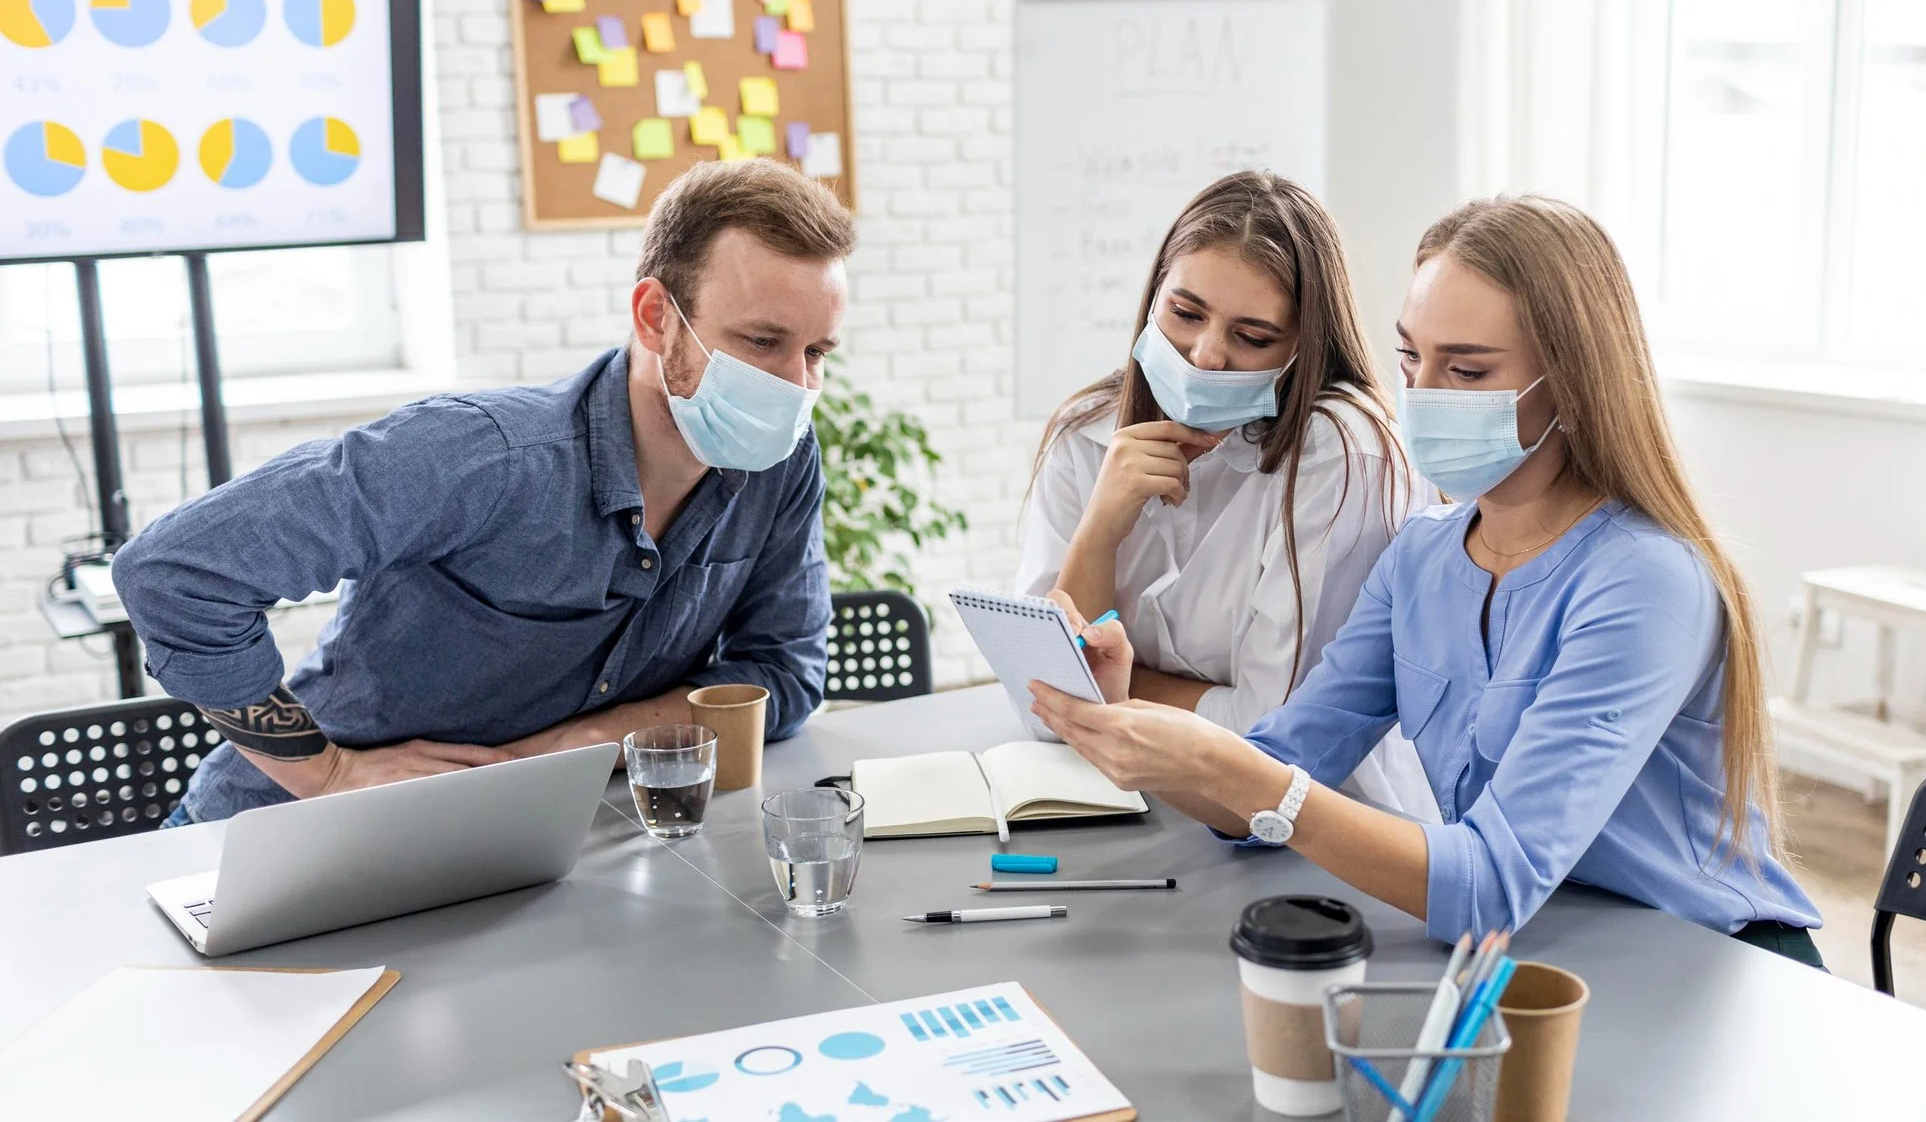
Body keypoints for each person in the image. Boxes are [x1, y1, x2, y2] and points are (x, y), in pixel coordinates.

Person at [1028, 196, 1826, 967]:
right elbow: (1269, 778)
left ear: (1575, 385)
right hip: (1544, 955)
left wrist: (1227, 766)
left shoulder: (1647, 582)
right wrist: (1133, 718)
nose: (1422, 394)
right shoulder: (1424, 557)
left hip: (1715, 966)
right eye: (1411, 356)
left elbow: (1488, 881)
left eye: (1468, 370)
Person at [114, 160, 853, 824]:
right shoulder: (482, 456)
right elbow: (174, 571)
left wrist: (591, 740)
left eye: (816, 351)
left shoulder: (780, 467)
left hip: (522, 835)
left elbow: (781, 673)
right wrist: (328, 771)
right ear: (656, 317)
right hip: (285, 836)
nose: (797, 385)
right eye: (762, 342)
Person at [1017, 171, 1437, 819]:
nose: (1206, 354)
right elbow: (1046, 704)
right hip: (1127, 809)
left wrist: (1116, 691)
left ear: (1305, 345)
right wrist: (1100, 529)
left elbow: (1270, 739)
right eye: (1185, 313)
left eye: (1253, 337)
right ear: (1154, 296)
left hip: (1310, 836)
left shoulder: (1344, 453)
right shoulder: (1086, 433)